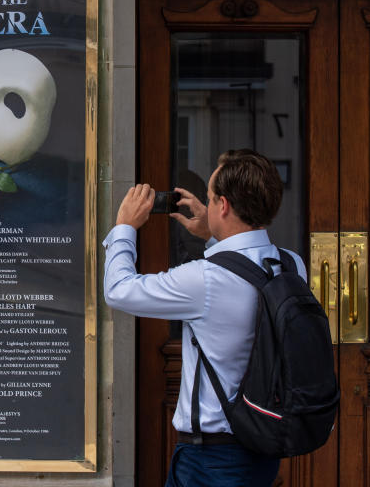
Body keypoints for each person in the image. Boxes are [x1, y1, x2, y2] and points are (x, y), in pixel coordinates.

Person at [103, 149, 306, 487]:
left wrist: (125, 227)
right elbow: (245, 271)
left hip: (211, 460)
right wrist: (213, 235)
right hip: (264, 446)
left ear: (223, 206)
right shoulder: (290, 264)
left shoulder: (205, 279)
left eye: (211, 199)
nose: (207, 205)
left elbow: (119, 290)